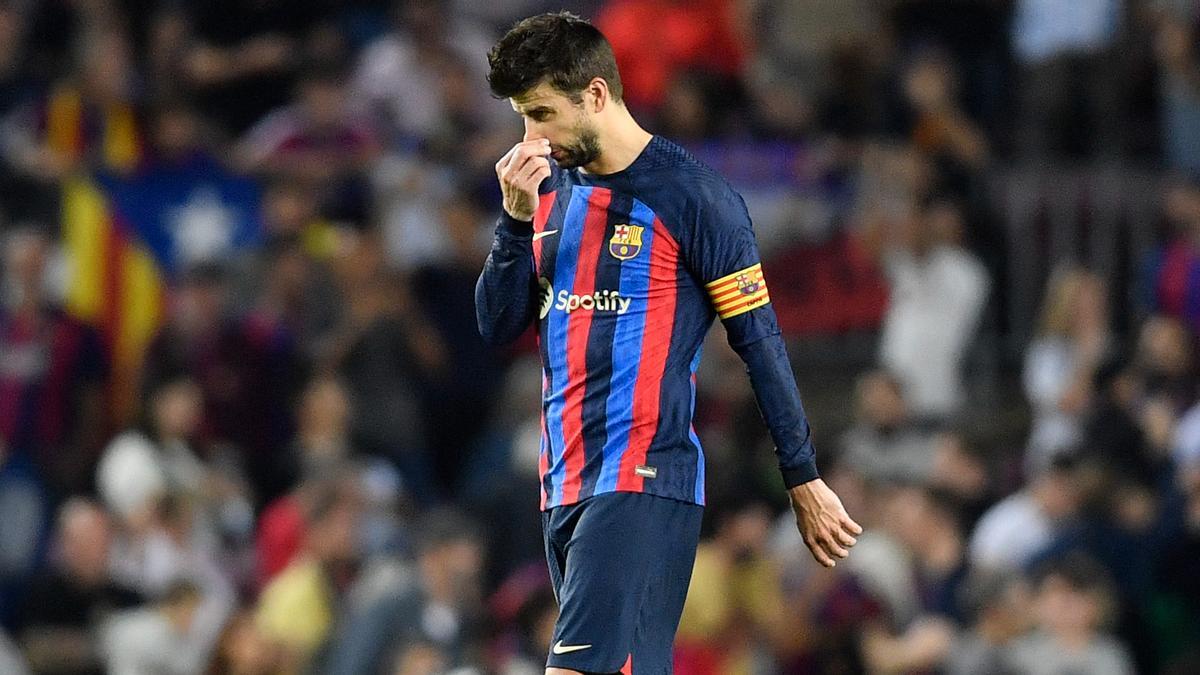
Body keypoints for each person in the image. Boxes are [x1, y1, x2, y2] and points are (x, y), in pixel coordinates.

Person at [475, 12, 861, 674]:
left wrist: (802, 475)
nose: (531, 138)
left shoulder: (695, 197)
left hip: (642, 474)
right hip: (562, 477)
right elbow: (498, 325)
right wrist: (513, 224)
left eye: (542, 113)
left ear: (595, 94)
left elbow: (760, 340)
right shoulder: (546, 193)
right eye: (521, 117)